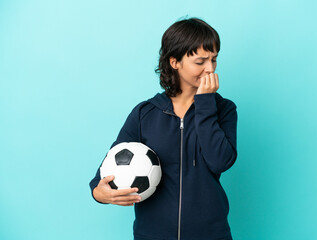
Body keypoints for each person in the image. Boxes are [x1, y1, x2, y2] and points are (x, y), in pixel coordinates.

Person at [89, 17, 238, 240]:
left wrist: (205, 104)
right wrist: (99, 193)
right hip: (151, 235)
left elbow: (220, 161)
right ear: (174, 62)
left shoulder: (224, 109)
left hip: (210, 234)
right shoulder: (144, 113)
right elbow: (107, 170)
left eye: (214, 60)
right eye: (200, 62)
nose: (210, 69)